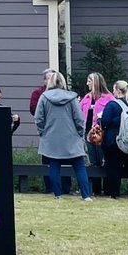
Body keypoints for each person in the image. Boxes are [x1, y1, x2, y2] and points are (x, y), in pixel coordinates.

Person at [34, 70, 92, 201]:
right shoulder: (71, 98)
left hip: (51, 138)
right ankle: (86, 195)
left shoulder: (44, 97)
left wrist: (43, 132)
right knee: (79, 166)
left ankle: (58, 194)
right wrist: (79, 133)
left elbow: (38, 118)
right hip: (72, 137)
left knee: (54, 166)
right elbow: (79, 118)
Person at [99, 80, 128, 199]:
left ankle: (114, 193)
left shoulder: (112, 105)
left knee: (114, 167)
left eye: (114, 89)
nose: (113, 92)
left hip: (115, 141)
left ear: (118, 91)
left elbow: (104, 121)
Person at [78, 72, 113, 168]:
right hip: (89, 133)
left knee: (103, 162)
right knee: (92, 163)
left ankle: (106, 183)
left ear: (95, 83)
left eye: (89, 81)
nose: (87, 83)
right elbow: (78, 112)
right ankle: (94, 183)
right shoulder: (87, 98)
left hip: (102, 134)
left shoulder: (109, 98)